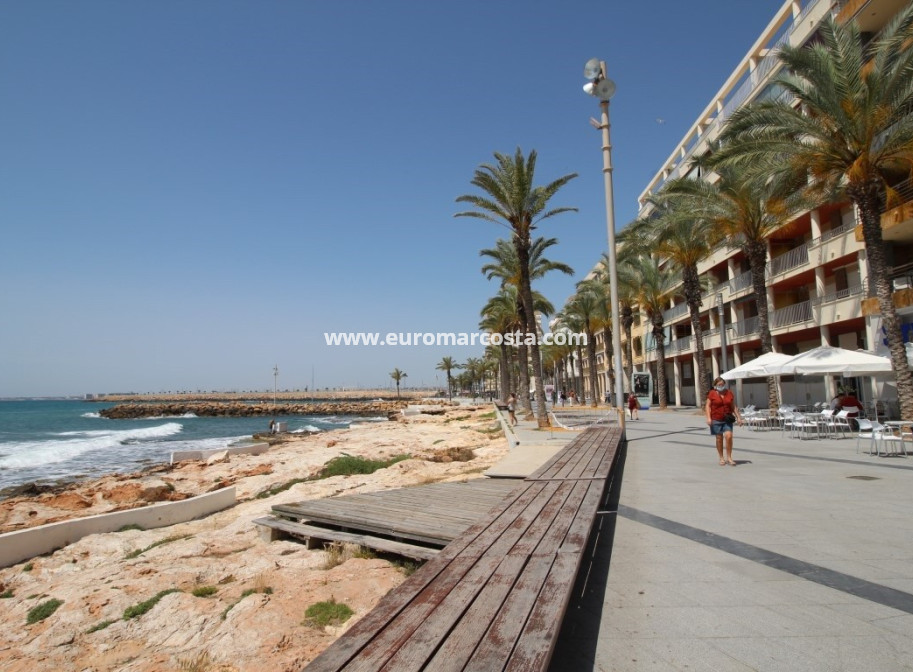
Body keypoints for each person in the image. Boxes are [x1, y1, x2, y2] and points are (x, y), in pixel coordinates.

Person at [705, 377, 742, 466]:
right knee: (719, 438)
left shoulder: (729, 393)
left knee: (729, 436)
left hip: (727, 419)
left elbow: (733, 406)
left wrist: (739, 417)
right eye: (719, 385)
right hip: (716, 418)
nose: (721, 386)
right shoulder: (712, 393)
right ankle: (721, 457)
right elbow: (707, 406)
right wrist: (709, 418)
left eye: (722, 384)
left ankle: (729, 457)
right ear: (715, 385)